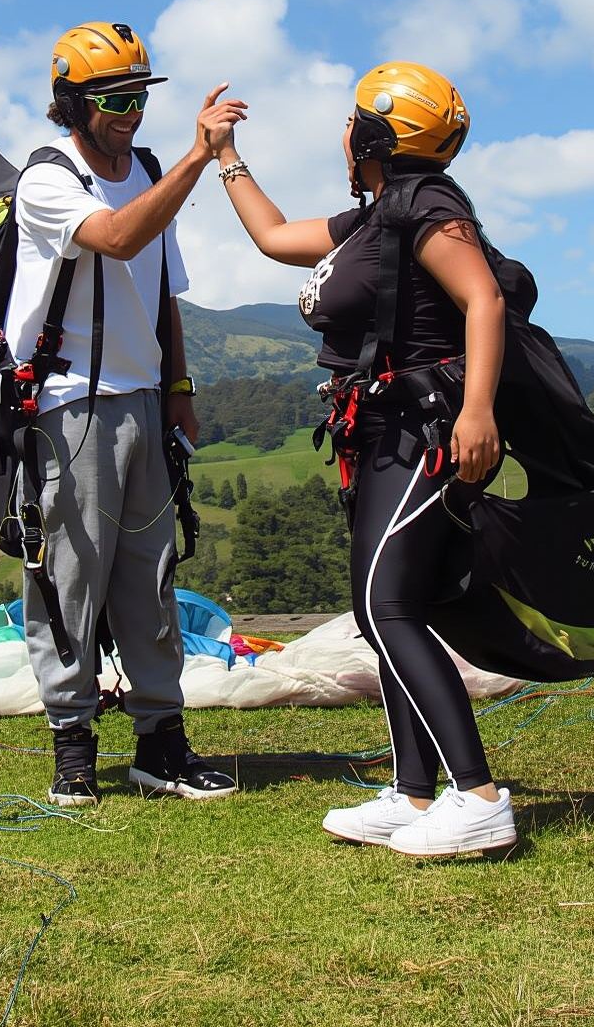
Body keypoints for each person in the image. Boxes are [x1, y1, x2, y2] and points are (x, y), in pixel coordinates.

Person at [211, 62, 519, 857]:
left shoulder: (427, 205)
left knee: (390, 609)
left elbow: (482, 298)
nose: (342, 132)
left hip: (426, 429)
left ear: (374, 136)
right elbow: (278, 238)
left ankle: (477, 797)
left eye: (353, 121)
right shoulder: (379, 216)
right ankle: (415, 794)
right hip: (378, 432)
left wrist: (477, 411)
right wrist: (225, 157)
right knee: (379, 614)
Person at [4, 21, 245, 805]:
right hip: (71, 407)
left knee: (152, 579)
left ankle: (160, 744)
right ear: (71, 102)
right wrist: (199, 158)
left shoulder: (143, 168)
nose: (131, 111)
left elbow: (163, 293)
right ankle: (72, 743)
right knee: (70, 581)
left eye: (140, 95)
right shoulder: (47, 180)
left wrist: (180, 391)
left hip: (143, 402)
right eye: (114, 98)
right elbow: (113, 236)